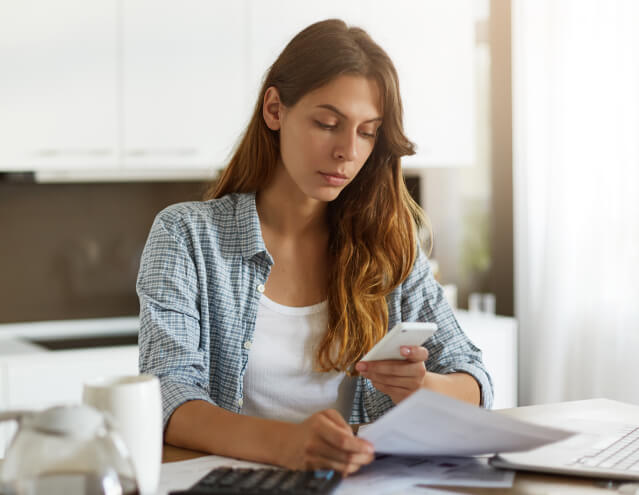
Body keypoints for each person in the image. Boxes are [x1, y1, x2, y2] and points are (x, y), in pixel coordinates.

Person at [137, 19, 493, 475]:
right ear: (274, 110)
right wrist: (289, 444)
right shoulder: (187, 236)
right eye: (328, 123)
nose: (348, 150)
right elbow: (170, 397)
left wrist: (424, 386)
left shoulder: (386, 245)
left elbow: (475, 380)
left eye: (367, 132)